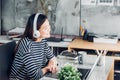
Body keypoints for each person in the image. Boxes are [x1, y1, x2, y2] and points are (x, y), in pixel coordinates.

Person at [10, 13, 58, 80]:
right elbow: (35, 75)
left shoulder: (43, 41)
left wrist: (52, 62)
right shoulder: (26, 44)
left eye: (48, 25)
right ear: (35, 31)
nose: (49, 29)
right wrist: (48, 68)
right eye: (45, 28)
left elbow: (53, 58)